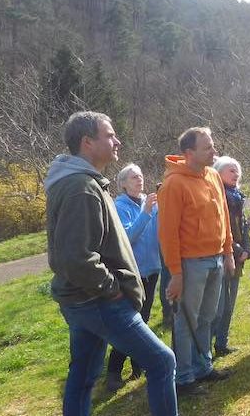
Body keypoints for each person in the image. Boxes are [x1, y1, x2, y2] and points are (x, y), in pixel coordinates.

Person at [45, 111, 176, 415]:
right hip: (98, 301)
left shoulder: (82, 182)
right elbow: (76, 257)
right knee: (162, 361)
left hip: (82, 299)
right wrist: (113, 289)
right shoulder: (81, 187)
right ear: (87, 142)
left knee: (84, 376)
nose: (117, 140)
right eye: (110, 135)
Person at [158, 127, 234, 396]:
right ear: (189, 153)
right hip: (191, 264)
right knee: (186, 321)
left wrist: (228, 252)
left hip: (215, 260)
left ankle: (204, 367)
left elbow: (223, 215)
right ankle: (184, 378)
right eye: (208, 148)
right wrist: (176, 273)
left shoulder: (213, 175)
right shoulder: (173, 184)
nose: (214, 151)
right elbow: (167, 233)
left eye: (213, 146)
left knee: (207, 316)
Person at [105, 164, 163, 392]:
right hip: (132, 275)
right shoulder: (120, 207)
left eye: (140, 175)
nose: (139, 179)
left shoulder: (150, 204)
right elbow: (127, 238)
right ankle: (113, 372)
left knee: (144, 320)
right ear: (123, 184)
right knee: (129, 324)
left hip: (152, 270)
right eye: (133, 177)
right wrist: (147, 212)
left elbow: (160, 231)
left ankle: (138, 366)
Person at [211, 156, 250, 357]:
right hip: (222, 255)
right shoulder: (217, 197)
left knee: (230, 304)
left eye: (237, 171)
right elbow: (220, 229)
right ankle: (204, 350)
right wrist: (237, 249)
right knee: (219, 306)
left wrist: (248, 248)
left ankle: (221, 343)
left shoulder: (237, 196)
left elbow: (243, 227)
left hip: (238, 256)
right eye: (231, 170)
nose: (235, 174)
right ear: (218, 172)